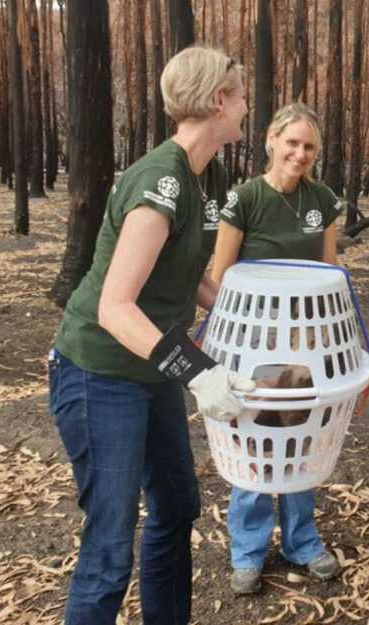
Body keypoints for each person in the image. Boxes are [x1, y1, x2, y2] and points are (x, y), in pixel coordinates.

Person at [48, 45, 256, 625]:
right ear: (218, 100)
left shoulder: (205, 174)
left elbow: (194, 279)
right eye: (240, 95)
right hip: (99, 372)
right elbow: (115, 307)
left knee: (176, 506)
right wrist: (200, 371)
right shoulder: (159, 181)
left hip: (154, 367)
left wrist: (260, 321)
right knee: (111, 547)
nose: (245, 106)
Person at [211, 102, 348, 595]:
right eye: (292, 142)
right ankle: (247, 551)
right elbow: (219, 275)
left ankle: (301, 541)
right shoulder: (245, 198)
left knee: (300, 441)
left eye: (309, 146)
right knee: (251, 441)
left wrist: (333, 346)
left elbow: (331, 273)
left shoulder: (323, 200)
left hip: (306, 344)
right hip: (253, 343)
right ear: (271, 140)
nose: (300, 153)